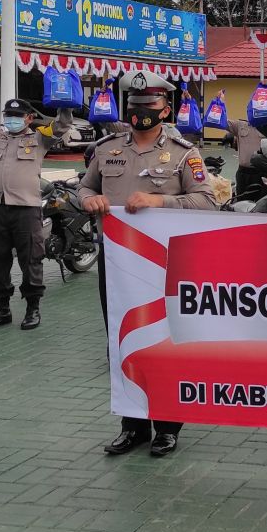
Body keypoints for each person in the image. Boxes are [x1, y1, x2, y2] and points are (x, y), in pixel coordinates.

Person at [79, 70, 216, 458]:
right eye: (135, 107)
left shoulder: (184, 152)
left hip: (164, 265)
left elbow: (207, 200)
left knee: (164, 341)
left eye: (149, 107)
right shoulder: (107, 149)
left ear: (165, 109)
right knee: (122, 340)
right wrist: (88, 199)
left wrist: (161, 201)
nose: (141, 113)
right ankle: (133, 424)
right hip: (118, 262)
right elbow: (85, 186)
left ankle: (168, 425)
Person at [0, 99, 73, 330]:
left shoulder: (40, 138)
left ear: (29, 118)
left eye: (17, 115)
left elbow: (61, 125)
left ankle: (32, 309)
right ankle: (1, 310)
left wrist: (65, 105)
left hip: (26, 209)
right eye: (8, 114)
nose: (11, 119)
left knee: (31, 259)